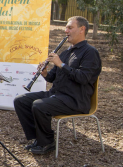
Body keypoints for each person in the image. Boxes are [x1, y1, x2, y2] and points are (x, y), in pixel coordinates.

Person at [13, 16, 101, 155]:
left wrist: (61, 64)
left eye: (70, 27)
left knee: (39, 105)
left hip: (75, 99)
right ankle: (38, 138)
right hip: (57, 95)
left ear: (82, 29)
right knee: (21, 101)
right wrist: (45, 73)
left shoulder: (90, 53)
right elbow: (53, 77)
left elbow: (83, 78)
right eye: (66, 27)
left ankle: (47, 142)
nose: (66, 31)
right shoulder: (66, 53)